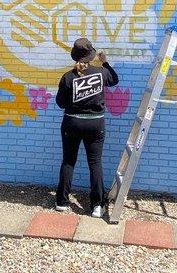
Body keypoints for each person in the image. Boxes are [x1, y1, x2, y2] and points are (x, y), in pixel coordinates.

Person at [55, 38, 119, 218]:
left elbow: (60, 103)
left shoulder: (68, 77)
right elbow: (114, 79)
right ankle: (97, 206)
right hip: (95, 123)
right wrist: (105, 61)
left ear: (75, 56)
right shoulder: (101, 73)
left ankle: (62, 202)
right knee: (95, 163)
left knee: (68, 161)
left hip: (72, 123)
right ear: (91, 56)